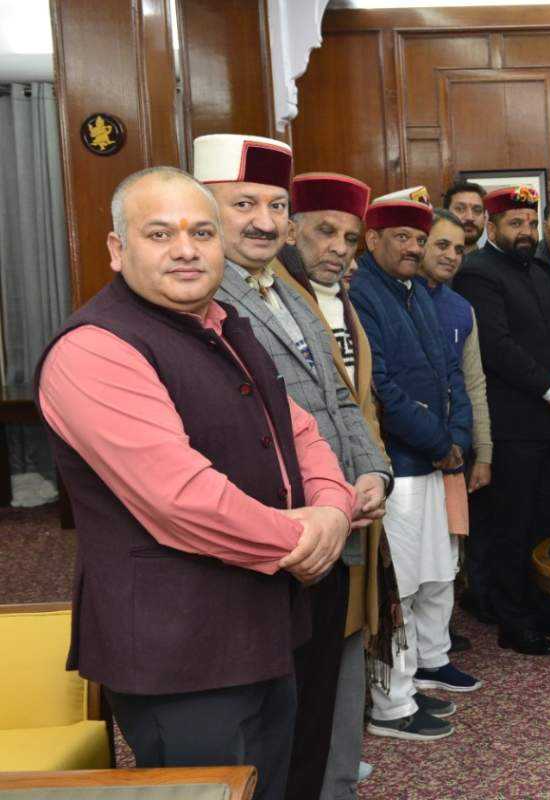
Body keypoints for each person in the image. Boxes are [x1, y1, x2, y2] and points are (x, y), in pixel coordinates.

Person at [37, 166, 357, 800]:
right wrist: (304, 541)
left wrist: (333, 508)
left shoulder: (225, 324)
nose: (186, 249)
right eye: (160, 233)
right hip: (177, 652)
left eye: (202, 232)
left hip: (266, 628)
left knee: (273, 786)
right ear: (117, 249)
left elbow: (301, 433)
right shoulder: (95, 348)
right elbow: (180, 499)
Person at [192, 136, 391, 800]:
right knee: (266, 719)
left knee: (314, 705)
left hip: (332, 527)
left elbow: (339, 394)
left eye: (277, 205)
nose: (266, 221)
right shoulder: (196, 292)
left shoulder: (285, 286)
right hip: (270, 537)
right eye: (244, 203)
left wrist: (372, 474)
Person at [274, 170, 390, 797]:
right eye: (324, 232)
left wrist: (375, 471)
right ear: (292, 230)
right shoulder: (270, 299)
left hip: (356, 508)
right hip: (301, 520)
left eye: (349, 236)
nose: (339, 248)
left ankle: (337, 779)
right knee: (309, 668)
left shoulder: (334, 301)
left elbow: (356, 405)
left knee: (345, 653)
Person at [352, 187, 478, 742]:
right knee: (396, 588)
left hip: (432, 462)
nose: (412, 248)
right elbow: (380, 388)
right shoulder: (363, 295)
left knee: (433, 573)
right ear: (372, 238)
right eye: (401, 237)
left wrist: (457, 437)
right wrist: (436, 440)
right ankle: (391, 706)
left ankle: (414, 683)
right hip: (398, 467)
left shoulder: (417, 293)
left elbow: (452, 374)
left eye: (419, 239)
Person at [453, 186, 550, 655]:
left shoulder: (544, 271)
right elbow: (496, 346)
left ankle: (547, 609)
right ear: (492, 227)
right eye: (515, 224)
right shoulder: (477, 273)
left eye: (530, 223)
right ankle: (513, 621)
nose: (525, 232)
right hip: (510, 427)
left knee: (549, 523)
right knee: (511, 528)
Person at [417, 207, 493, 654]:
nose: (450, 256)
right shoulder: (396, 298)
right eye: (440, 244)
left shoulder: (460, 307)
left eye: (459, 249)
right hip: (412, 453)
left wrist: (483, 451)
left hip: (456, 451)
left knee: (449, 549)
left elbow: (474, 382)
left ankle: (436, 638)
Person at [442, 181, 487, 254]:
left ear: (484, 219)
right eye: (460, 209)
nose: (469, 217)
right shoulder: (428, 262)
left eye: (477, 210)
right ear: (445, 215)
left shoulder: (496, 264)